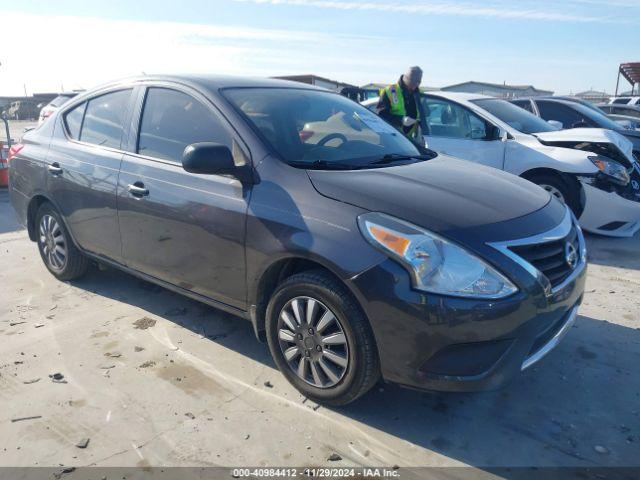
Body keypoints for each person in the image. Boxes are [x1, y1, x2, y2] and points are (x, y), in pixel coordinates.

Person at [377, 66, 423, 143]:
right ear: (406, 78)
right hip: (393, 138)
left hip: (413, 139)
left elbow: (424, 114)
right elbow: (381, 115)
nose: (416, 85)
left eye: (418, 82)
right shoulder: (390, 91)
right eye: (414, 82)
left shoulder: (419, 94)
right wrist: (401, 120)